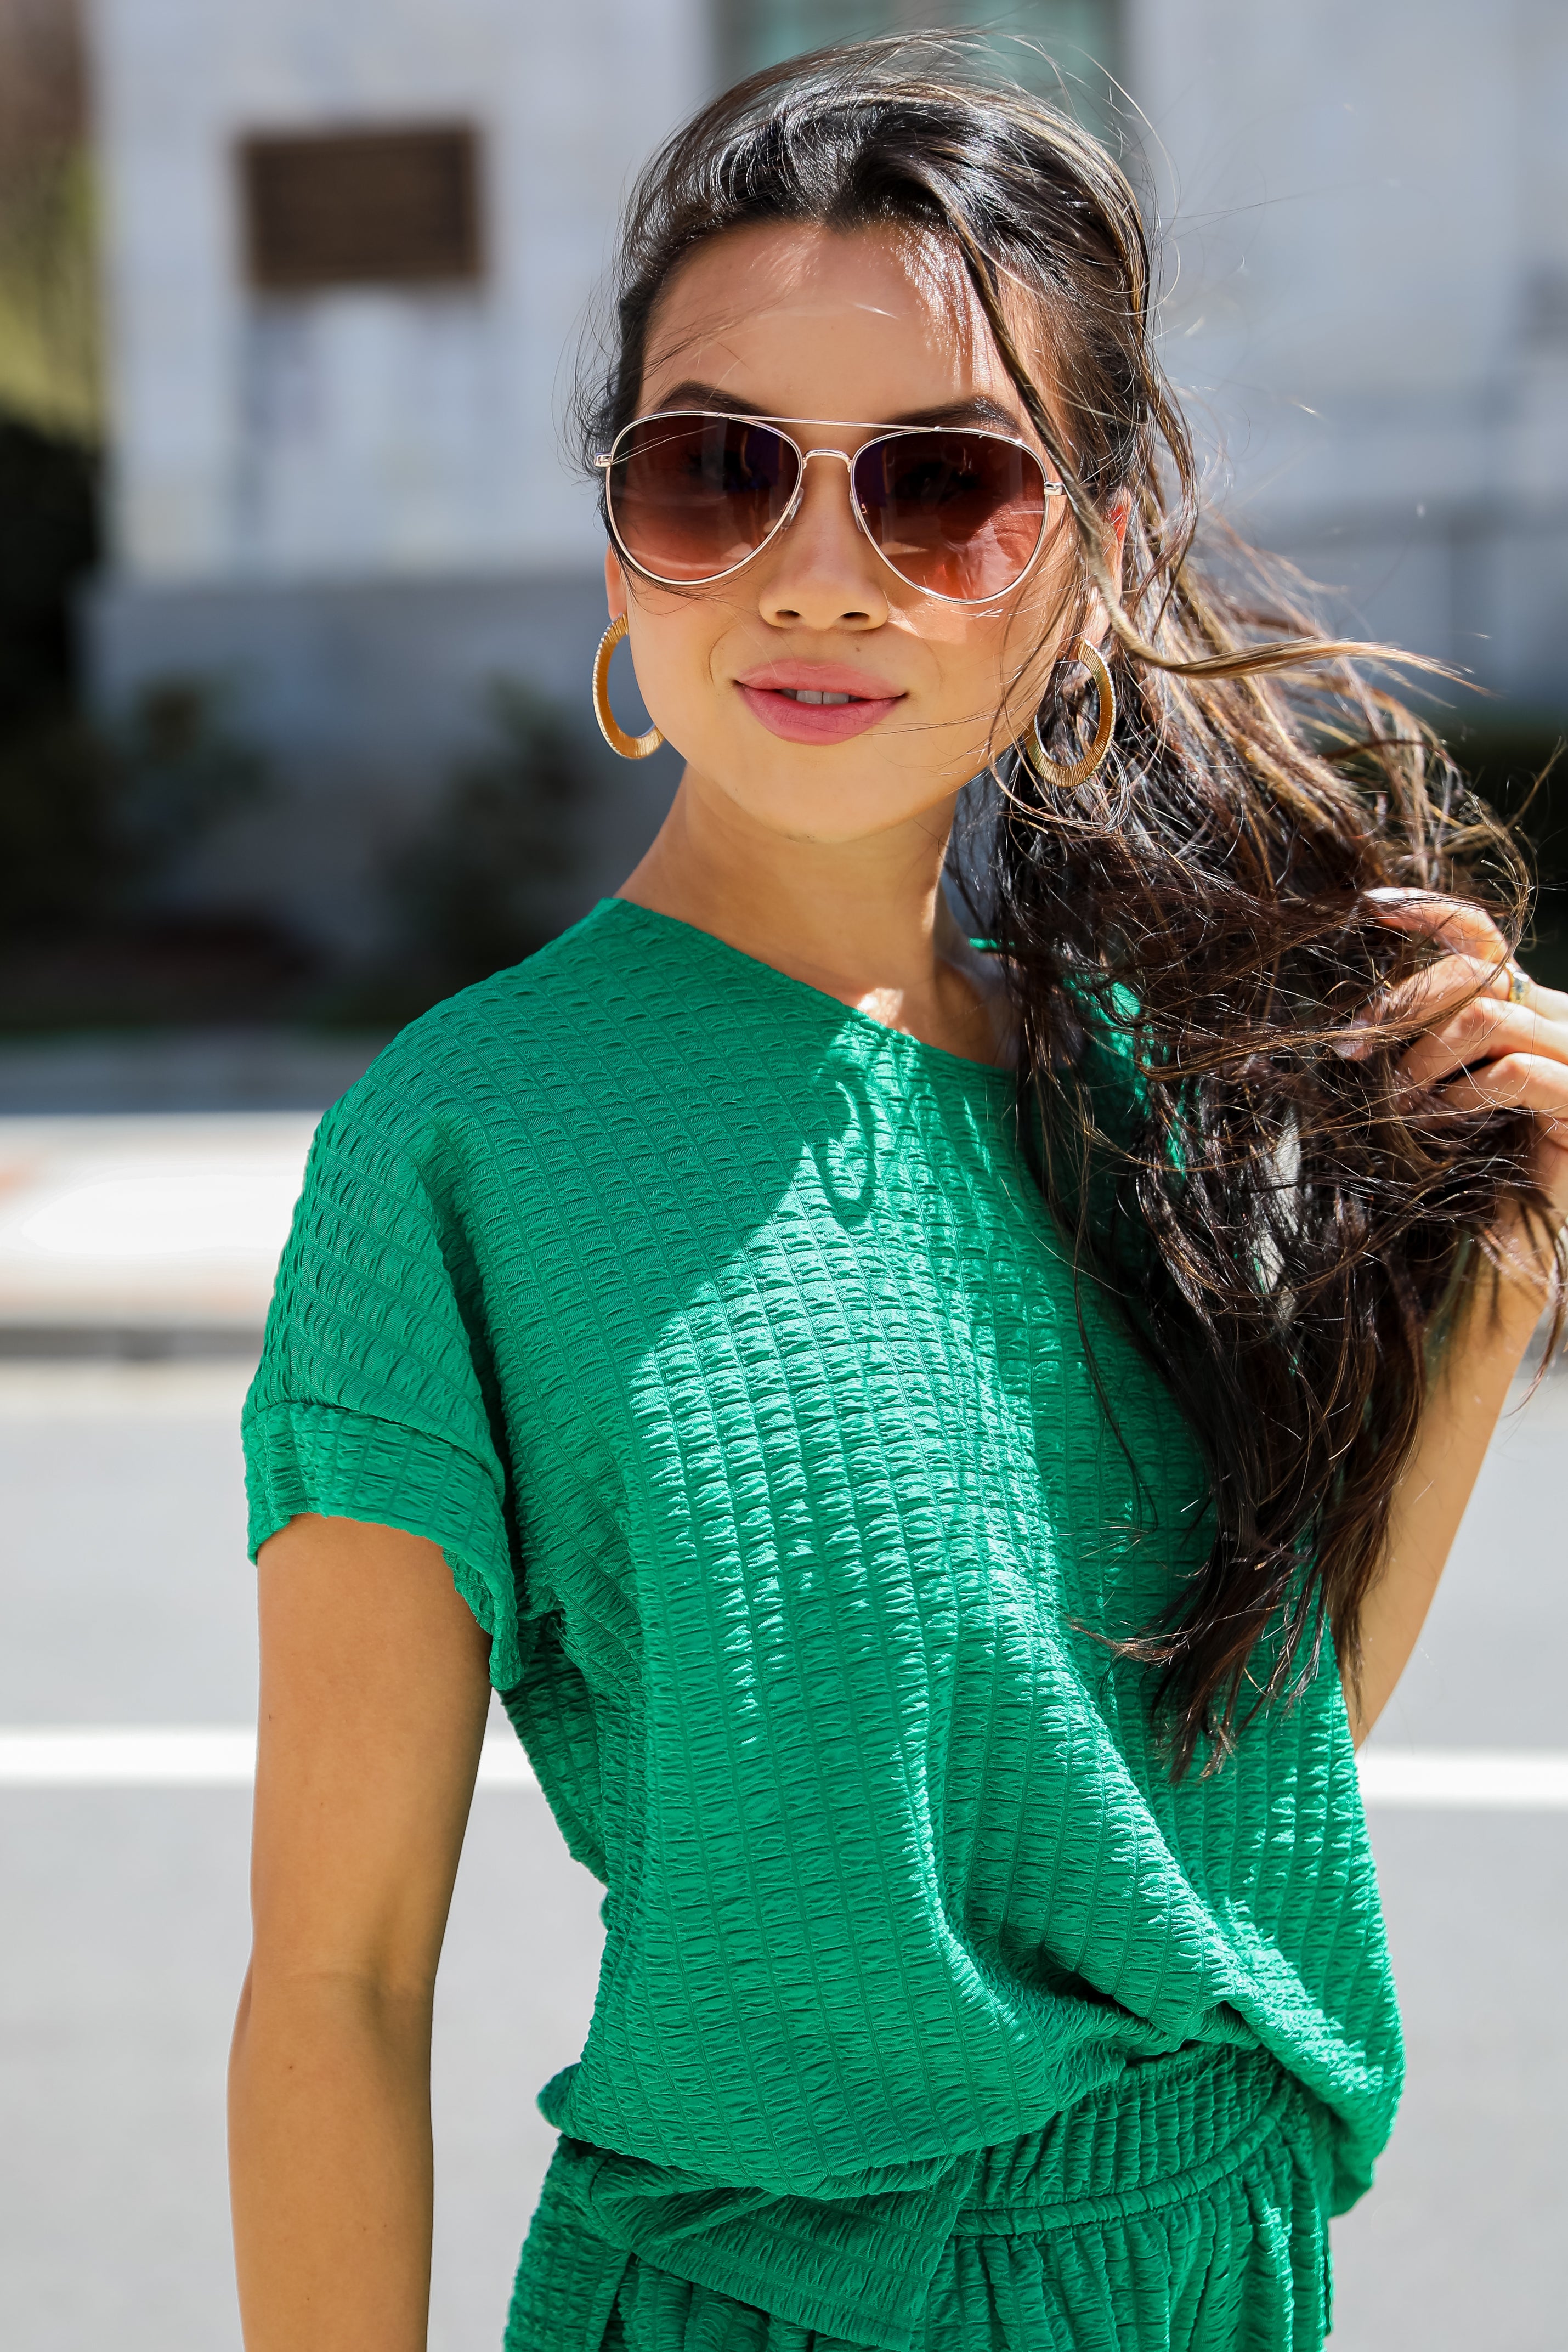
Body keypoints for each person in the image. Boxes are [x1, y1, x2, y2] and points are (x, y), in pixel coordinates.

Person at [227, 39, 1568, 2352]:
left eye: (940, 487)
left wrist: (1480, 1321)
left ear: (1084, 565)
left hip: (1216, 2277)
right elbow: (341, 1979)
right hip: (774, 2304)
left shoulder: (1160, 1078)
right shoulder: (456, 1152)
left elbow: (1196, 1811)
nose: (816, 575)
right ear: (619, 542)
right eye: (714, 472)